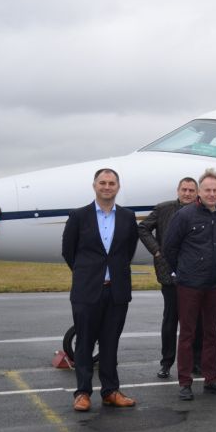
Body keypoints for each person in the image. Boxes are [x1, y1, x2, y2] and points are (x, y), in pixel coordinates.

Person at [62, 168, 139, 411]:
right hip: (87, 292)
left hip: (116, 291)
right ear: (94, 186)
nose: (107, 187)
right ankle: (83, 393)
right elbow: (68, 252)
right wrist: (88, 273)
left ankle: (110, 391)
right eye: (103, 183)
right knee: (84, 343)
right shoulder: (79, 216)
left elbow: (128, 250)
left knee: (110, 343)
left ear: (118, 187)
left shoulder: (128, 217)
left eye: (112, 183)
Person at [163, 168, 216, 401]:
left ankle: (211, 378)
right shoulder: (185, 215)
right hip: (190, 284)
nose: (212, 194)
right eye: (207, 190)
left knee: (212, 334)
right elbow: (169, 248)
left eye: (215, 190)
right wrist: (181, 271)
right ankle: (185, 382)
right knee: (187, 334)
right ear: (199, 192)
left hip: (215, 284)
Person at [138, 177, 203, 379]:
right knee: (170, 319)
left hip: (195, 274)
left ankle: (196, 362)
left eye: (192, 190)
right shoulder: (163, 209)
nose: (188, 193)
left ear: (197, 192)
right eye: (184, 189)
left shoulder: (203, 211)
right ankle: (166, 363)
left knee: (196, 320)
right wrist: (156, 251)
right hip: (169, 273)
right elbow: (142, 228)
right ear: (178, 190)